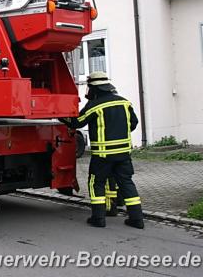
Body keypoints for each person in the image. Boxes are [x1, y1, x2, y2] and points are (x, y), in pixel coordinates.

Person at [59, 71, 144, 229]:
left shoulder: (94, 106)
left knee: (96, 183)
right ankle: (137, 219)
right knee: (126, 183)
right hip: (124, 154)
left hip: (103, 156)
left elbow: (77, 123)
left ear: (94, 89)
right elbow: (133, 123)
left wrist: (60, 115)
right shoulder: (124, 103)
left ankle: (98, 218)